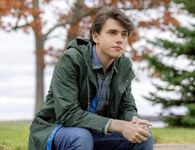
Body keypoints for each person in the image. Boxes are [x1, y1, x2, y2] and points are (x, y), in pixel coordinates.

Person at [28, 6, 154, 150]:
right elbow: (68, 114)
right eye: (112, 33)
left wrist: (134, 122)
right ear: (96, 36)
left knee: (144, 137)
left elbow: (126, 107)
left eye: (124, 34)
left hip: (94, 131)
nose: (120, 39)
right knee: (81, 137)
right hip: (56, 129)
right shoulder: (72, 60)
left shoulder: (124, 65)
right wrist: (120, 126)